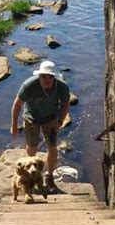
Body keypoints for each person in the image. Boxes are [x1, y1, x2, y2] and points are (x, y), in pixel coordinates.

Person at [10, 60, 70, 193]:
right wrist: (14, 124)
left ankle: (49, 177)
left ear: (54, 77)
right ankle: (30, 174)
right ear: (39, 76)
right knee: (32, 147)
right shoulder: (29, 85)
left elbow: (65, 104)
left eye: (50, 77)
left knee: (52, 147)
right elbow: (17, 104)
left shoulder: (62, 87)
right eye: (44, 76)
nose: (47, 80)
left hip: (51, 119)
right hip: (31, 118)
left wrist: (60, 121)